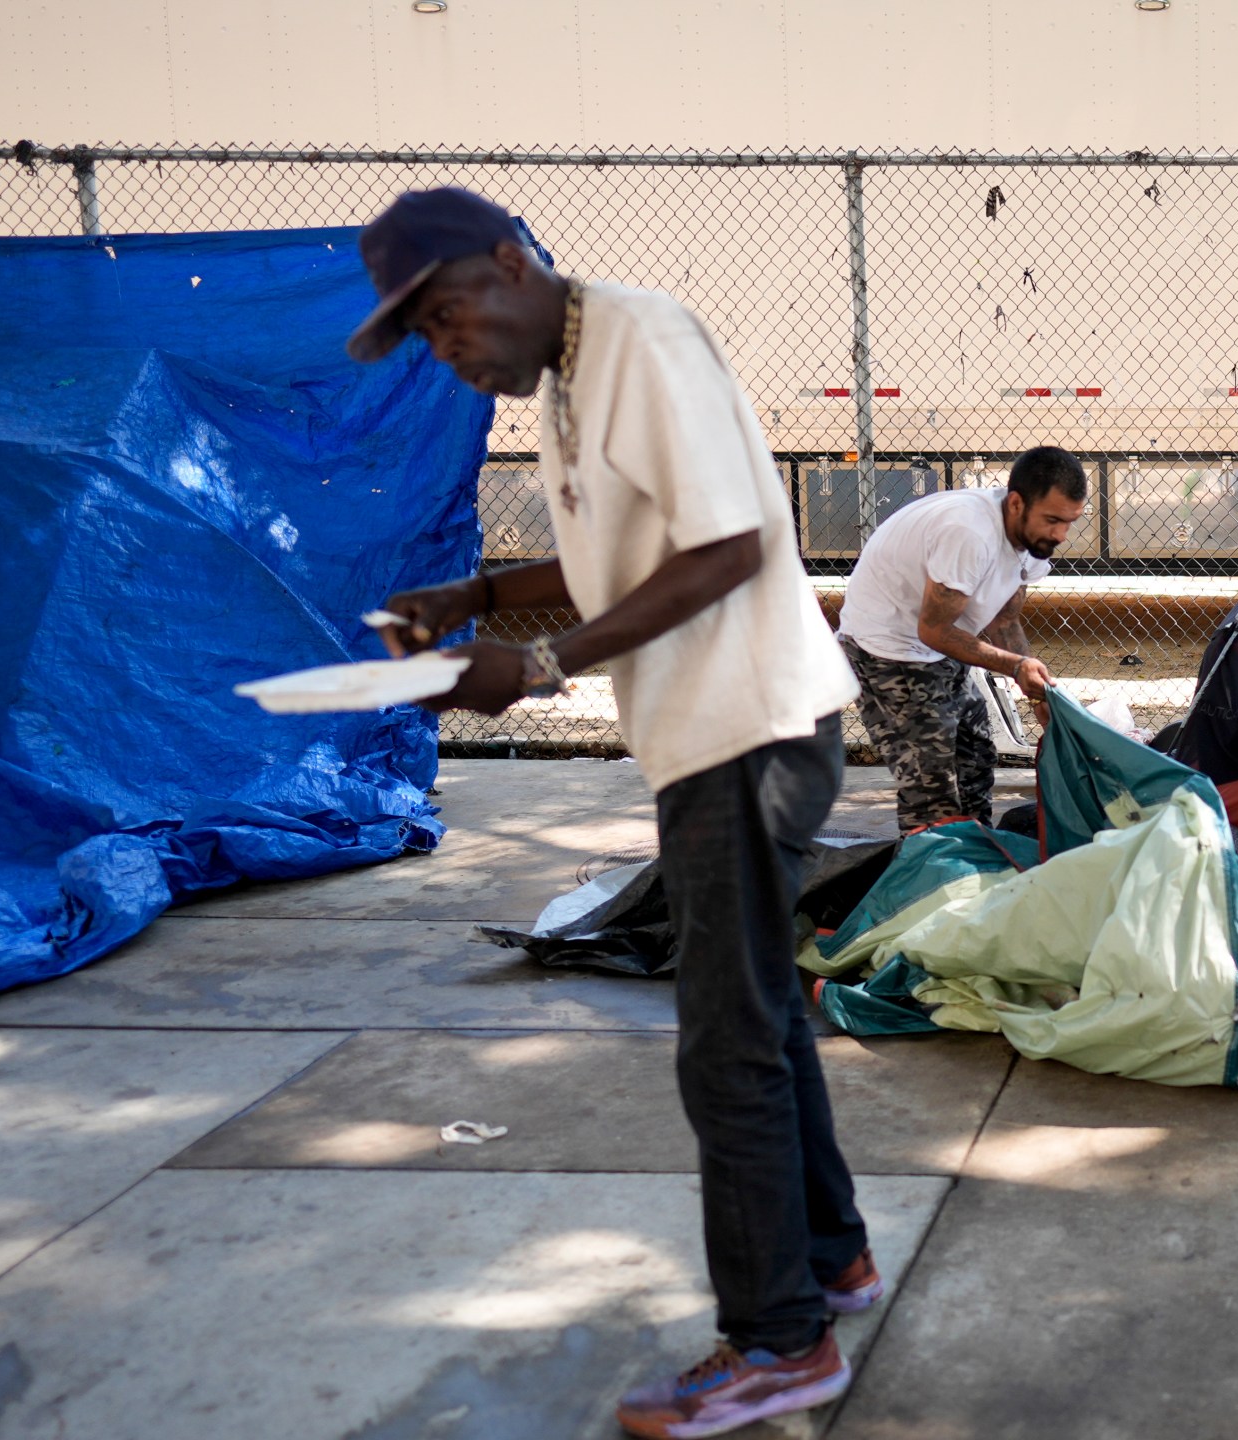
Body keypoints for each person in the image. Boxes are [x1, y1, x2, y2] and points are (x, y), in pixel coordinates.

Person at [348, 187, 878, 1439]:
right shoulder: (571, 377)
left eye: (445, 313)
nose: (447, 345)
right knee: (755, 1016)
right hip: (714, 734)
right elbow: (621, 560)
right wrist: (477, 591)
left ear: (509, 261)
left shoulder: (640, 339)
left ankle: (779, 1345)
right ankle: (833, 1260)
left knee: (722, 1042)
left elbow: (732, 548)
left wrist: (538, 666)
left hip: (749, 730)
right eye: (423, 336)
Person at [834, 447, 1087, 832]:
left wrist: (1037, 693)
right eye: (1053, 520)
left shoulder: (1032, 540)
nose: (1061, 535)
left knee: (975, 761)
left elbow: (1004, 620)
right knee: (931, 788)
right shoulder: (969, 533)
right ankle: (932, 880)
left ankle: (977, 863)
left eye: (1070, 522)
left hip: (939, 647)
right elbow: (933, 630)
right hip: (885, 649)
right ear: (1016, 503)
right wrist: (1016, 666)